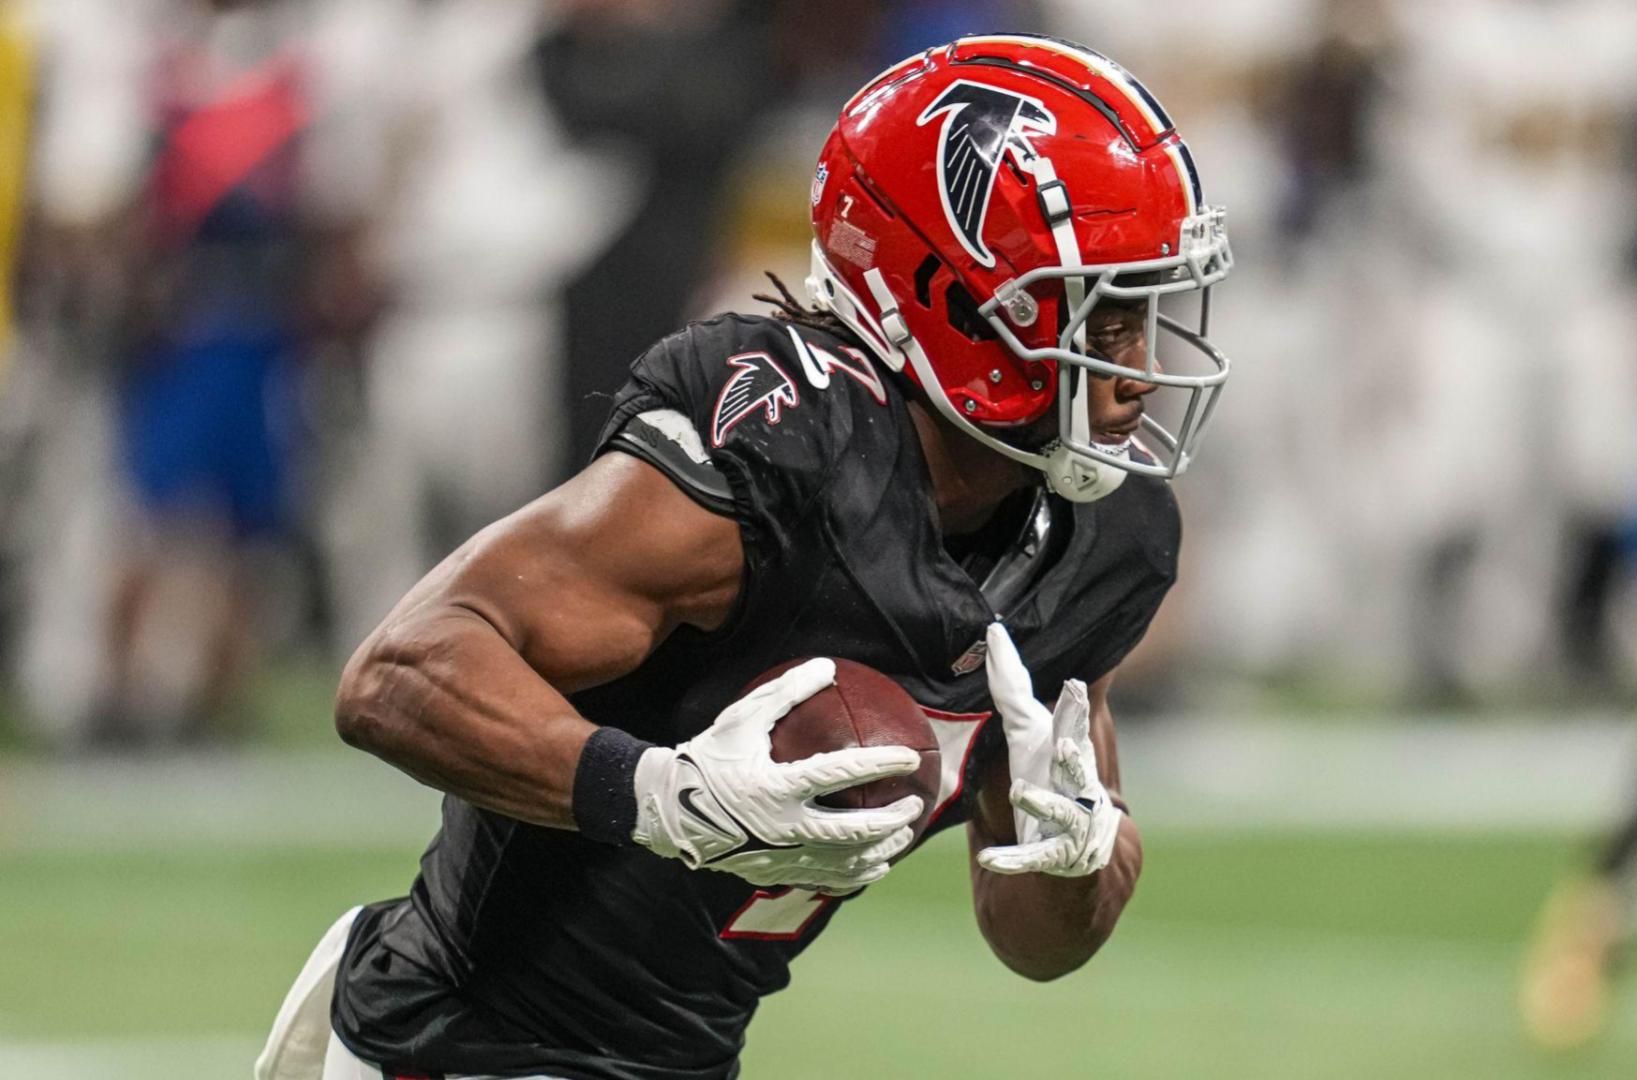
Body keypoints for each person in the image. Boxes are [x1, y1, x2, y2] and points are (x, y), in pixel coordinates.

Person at [256, 33, 1231, 1080]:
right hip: (462, 1044)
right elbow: (397, 674)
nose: (1137, 368)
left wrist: (1080, 854)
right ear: (958, 301)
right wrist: (660, 793)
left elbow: (1035, 935)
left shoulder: (1102, 539)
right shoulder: (783, 450)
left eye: (1146, 307)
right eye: (1103, 312)